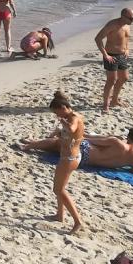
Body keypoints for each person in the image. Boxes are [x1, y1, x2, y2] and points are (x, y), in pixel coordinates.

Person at [20, 126, 133, 175]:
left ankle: (30, 144)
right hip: (86, 162)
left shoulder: (117, 142)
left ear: (128, 137)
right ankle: (32, 142)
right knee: (60, 146)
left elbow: (90, 140)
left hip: (86, 152)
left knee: (61, 143)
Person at [44, 91, 84, 232]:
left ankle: (77, 221)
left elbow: (72, 128)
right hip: (69, 156)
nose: (57, 116)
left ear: (63, 107)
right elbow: (72, 134)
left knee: (59, 190)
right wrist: (58, 133)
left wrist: (63, 123)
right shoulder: (72, 116)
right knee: (59, 188)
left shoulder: (72, 118)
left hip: (70, 158)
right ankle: (59, 215)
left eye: (57, 113)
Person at [94, 8, 133, 113]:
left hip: (122, 55)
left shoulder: (127, 25)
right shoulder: (112, 25)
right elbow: (98, 38)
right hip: (111, 55)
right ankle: (105, 104)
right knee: (111, 80)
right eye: (131, 18)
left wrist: (127, 49)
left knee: (124, 78)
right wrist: (105, 55)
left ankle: (114, 100)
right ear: (123, 16)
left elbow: (126, 39)